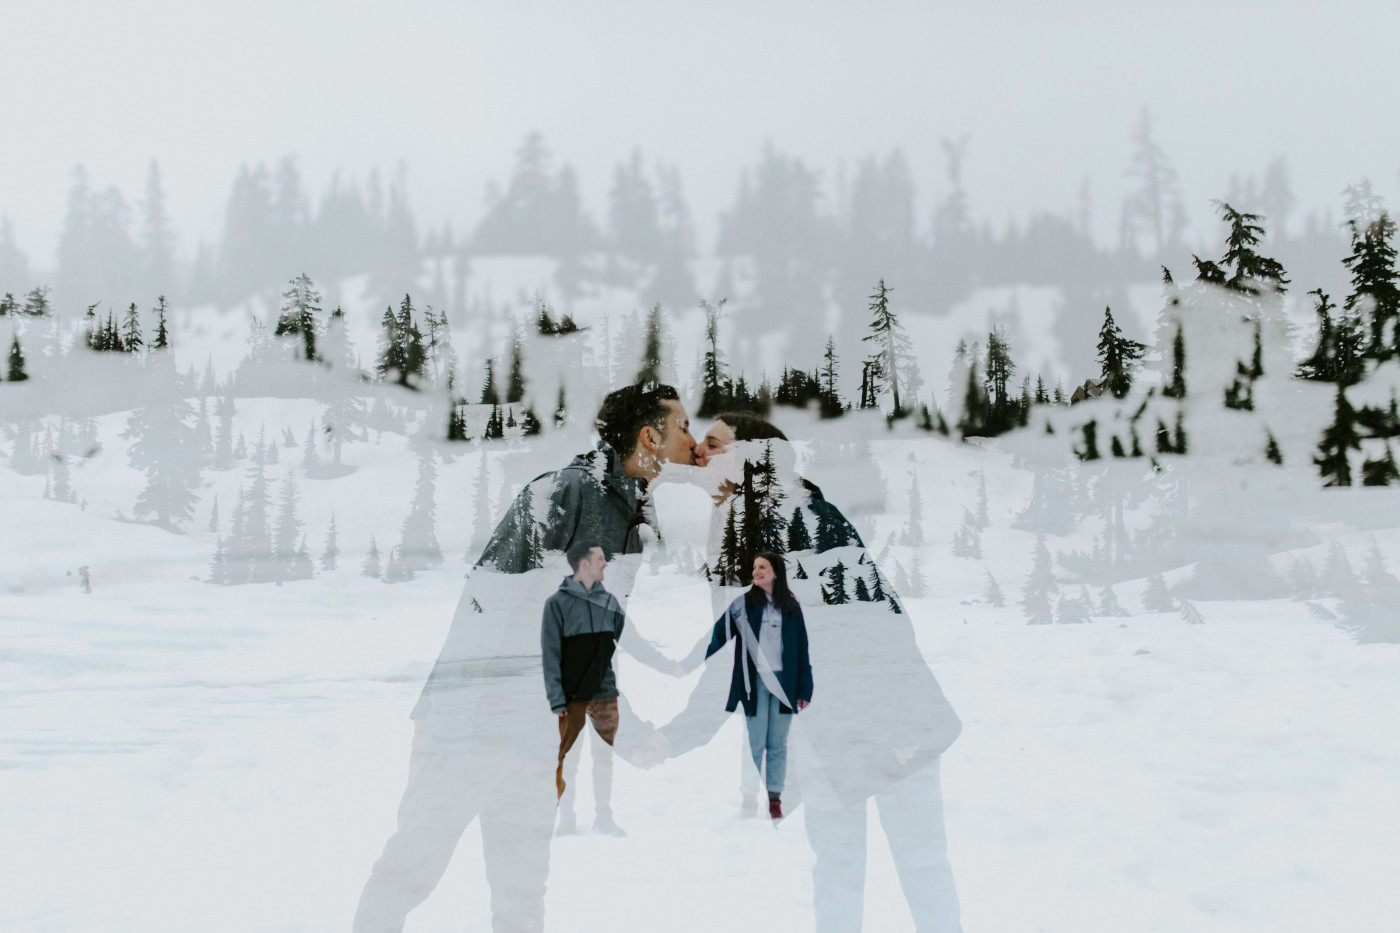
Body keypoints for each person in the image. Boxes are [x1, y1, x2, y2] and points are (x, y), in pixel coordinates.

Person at [352, 383, 695, 933]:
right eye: (683, 428)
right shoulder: (569, 493)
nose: (693, 441)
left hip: (531, 739)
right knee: (409, 873)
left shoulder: (627, 515)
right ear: (649, 436)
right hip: (469, 730)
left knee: (521, 896)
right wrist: (624, 732)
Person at [651, 412, 964, 932]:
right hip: (828, 733)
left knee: (920, 862)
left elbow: (876, 630)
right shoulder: (741, 528)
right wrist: (677, 736)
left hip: (890, 727)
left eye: (714, 444)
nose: (700, 453)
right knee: (840, 870)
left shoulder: (808, 518)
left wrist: (895, 731)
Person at [706, 552, 812, 819]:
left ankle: (775, 798)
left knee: (777, 744)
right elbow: (720, 634)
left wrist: (804, 688)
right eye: (754, 567)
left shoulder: (791, 608)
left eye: (762, 567)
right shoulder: (743, 605)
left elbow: (802, 650)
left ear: (775, 572)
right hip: (753, 685)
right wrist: (697, 660)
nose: (756, 571)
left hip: (784, 687)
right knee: (754, 743)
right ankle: (749, 798)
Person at [542, 541, 625, 805]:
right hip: (571, 696)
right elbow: (551, 654)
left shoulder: (609, 601)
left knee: (606, 757)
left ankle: (604, 815)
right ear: (584, 564)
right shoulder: (557, 604)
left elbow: (622, 636)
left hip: (604, 692)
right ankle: (563, 815)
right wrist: (557, 697)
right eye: (601, 558)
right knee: (568, 758)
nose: (605, 563)